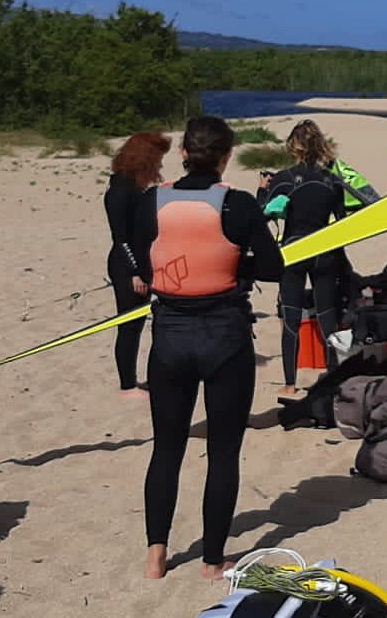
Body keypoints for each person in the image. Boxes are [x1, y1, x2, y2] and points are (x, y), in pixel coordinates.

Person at [128, 116, 283, 580]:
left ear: (183, 154)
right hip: (224, 338)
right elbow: (273, 267)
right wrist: (236, 265)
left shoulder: (151, 201)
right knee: (223, 452)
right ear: (226, 156)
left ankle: (156, 556)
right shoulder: (237, 203)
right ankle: (212, 560)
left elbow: (141, 260)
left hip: (170, 338)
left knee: (166, 449)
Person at [260, 121, 348, 393]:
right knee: (328, 317)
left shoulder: (284, 178)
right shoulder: (333, 181)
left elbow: (262, 214)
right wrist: (343, 264)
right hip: (325, 250)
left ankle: (290, 385)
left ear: (293, 147)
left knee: (291, 319)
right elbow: (343, 224)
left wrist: (263, 189)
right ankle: (334, 381)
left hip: (294, 250)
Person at [105, 132, 170, 401]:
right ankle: (127, 385)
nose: (159, 164)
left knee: (142, 322)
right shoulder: (119, 192)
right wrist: (135, 273)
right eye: (157, 159)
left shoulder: (135, 188)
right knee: (129, 325)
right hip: (126, 265)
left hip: (142, 262)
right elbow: (121, 239)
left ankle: (144, 380)